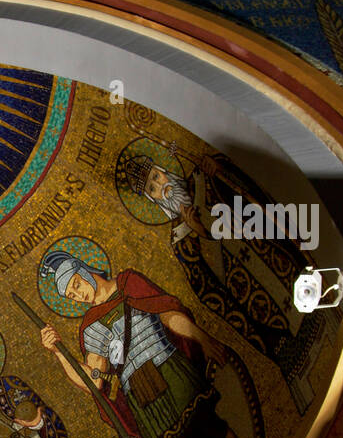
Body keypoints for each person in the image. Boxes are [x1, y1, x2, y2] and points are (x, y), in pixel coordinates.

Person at [38, 251, 253, 438]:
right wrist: (59, 352)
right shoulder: (91, 327)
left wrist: (203, 338)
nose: (78, 295)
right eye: (70, 295)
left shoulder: (129, 284)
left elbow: (168, 315)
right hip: (139, 392)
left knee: (209, 429)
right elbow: (94, 380)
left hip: (168, 367)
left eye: (76, 285)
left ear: (86, 270)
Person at [116, 149, 319, 413]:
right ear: (152, 200)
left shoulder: (203, 179)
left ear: (164, 170)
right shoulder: (180, 239)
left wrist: (220, 168)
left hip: (273, 259)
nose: (162, 187)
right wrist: (201, 233)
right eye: (153, 189)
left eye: (157, 176)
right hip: (252, 298)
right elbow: (206, 289)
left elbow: (249, 196)